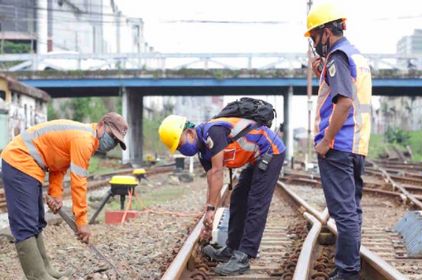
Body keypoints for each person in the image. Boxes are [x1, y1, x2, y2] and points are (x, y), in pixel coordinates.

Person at [0, 112, 128, 280]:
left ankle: (46, 269)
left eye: (116, 142)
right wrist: (82, 222)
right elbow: (79, 183)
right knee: (25, 223)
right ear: (102, 125)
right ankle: (37, 276)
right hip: (19, 161)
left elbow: (58, 164)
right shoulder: (84, 140)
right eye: (112, 136)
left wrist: (55, 194)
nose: (112, 143)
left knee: (36, 220)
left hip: (31, 165)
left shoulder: (85, 138)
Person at [159, 114, 285, 276]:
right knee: (239, 197)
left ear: (189, 133)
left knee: (256, 202)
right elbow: (212, 181)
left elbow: (218, 172)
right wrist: (209, 213)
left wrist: (212, 209)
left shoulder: (213, 132)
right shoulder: (203, 152)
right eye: (177, 148)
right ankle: (232, 248)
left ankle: (244, 255)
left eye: (180, 144)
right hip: (257, 158)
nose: (181, 150)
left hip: (271, 151)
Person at [304, 2, 372, 280]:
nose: (314, 43)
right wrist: (323, 67)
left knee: (343, 213)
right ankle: (347, 267)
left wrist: (326, 141)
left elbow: (343, 103)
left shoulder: (338, 58)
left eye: (314, 37)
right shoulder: (354, 56)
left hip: (338, 147)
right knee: (351, 210)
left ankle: (347, 272)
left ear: (326, 32)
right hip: (356, 145)